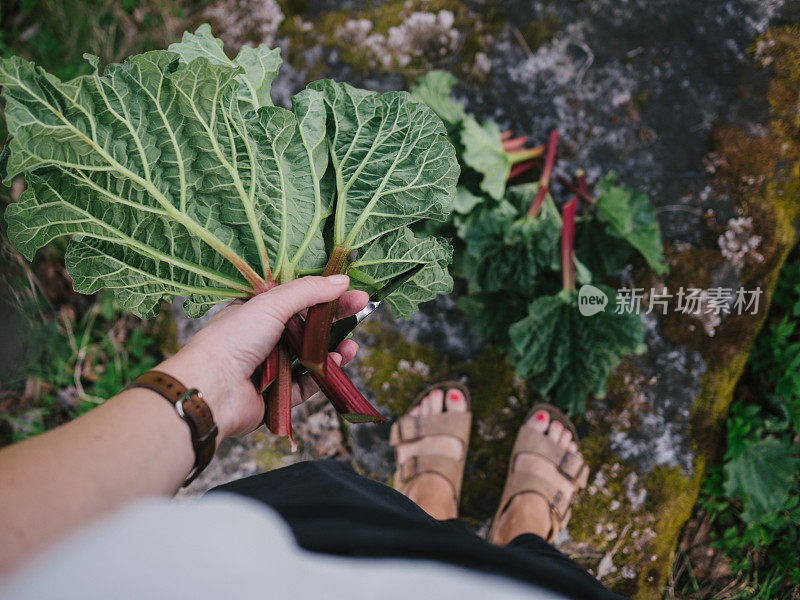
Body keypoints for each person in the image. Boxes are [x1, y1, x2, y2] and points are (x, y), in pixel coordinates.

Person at [0, 275, 627, 600]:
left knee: (378, 517)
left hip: (283, 557)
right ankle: (525, 524)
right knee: (534, 574)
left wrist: (208, 387)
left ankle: (425, 500)